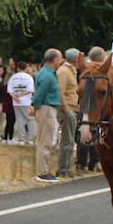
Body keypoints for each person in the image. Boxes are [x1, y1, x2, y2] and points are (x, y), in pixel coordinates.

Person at [31, 48, 62, 183]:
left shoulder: (45, 72)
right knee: (46, 141)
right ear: (55, 59)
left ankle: (42, 170)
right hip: (47, 108)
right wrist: (34, 106)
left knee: (44, 140)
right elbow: (39, 94)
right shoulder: (48, 76)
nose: (61, 61)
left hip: (45, 108)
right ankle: (42, 172)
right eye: (60, 58)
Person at [56, 49, 80, 176]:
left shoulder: (71, 70)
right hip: (67, 110)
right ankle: (63, 169)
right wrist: (66, 110)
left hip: (73, 108)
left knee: (70, 140)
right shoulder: (64, 72)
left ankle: (66, 167)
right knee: (67, 140)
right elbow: (60, 92)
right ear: (75, 59)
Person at [8, 62, 35, 145]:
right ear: (25, 68)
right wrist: (20, 95)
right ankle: (30, 139)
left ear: (18, 68)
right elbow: (30, 90)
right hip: (26, 101)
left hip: (16, 102)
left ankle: (21, 140)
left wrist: (15, 97)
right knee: (30, 119)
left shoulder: (13, 77)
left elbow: (9, 90)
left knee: (19, 120)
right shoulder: (29, 77)